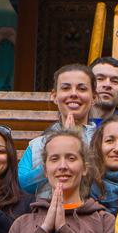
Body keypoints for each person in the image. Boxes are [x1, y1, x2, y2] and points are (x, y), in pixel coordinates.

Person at [18, 64, 96, 193]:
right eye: (65, 88)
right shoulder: (37, 145)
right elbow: (21, 183)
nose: (73, 94)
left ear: (93, 97)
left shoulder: (103, 141)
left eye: (82, 89)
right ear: (54, 96)